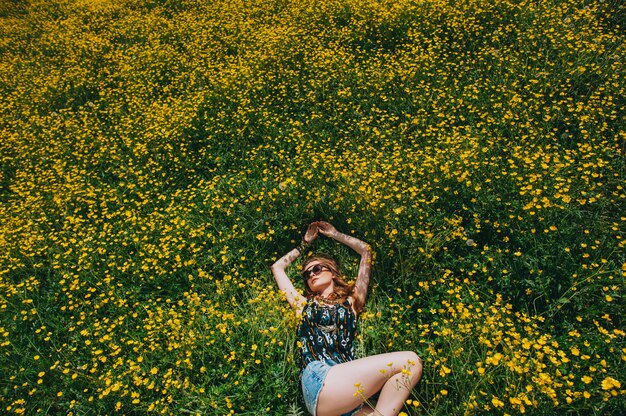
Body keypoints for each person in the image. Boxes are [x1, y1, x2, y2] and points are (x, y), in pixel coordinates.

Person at [271, 221, 422, 416]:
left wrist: (335, 234)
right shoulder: (303, 305)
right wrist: (304, 243)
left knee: (409, 371)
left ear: (332, 272)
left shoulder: (351, 302)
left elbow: (366, 251)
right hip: (318, 377)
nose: (311, 275)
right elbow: (277, 268)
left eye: (316, 269)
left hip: (347, 392)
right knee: (410, 361)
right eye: (307, 274)